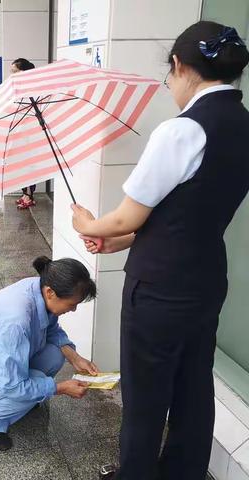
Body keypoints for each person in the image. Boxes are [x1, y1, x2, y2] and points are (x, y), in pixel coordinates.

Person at [71, 21, 249, 480]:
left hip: (159, 289)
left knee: (147, 391)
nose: (170, 85)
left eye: (169, 76)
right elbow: (185, 213)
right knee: (194, 384)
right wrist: (120, 239)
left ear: (179, 66)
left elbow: (129, 215)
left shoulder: (182, 130)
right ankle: (183, 472)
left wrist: (89, 224)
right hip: (206, 278)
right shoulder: (243, 125)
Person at [0, 256, 98, 451]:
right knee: (29, 384)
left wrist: (75, 358)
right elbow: (12, 385)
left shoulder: (39, 287)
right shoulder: (15, 319)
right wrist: (59, 388)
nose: (73, 310)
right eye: (72, 304)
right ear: (50, 292)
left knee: (56, 354)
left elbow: (52, 328)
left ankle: (23, 400)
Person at [10, 58, 38, 210]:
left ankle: (30, 195)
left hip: (30, 133)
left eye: (15, 72)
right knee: (21, 163)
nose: (12, 75)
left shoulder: (32, 90)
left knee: (29, 164)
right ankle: (25, 193)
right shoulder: (18, 90)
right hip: (21, 132)